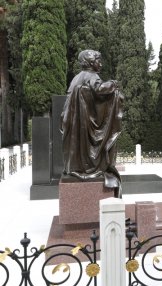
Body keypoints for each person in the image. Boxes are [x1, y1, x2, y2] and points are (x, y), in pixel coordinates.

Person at [60, 49, 124, 198]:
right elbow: (100, 89)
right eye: (97, 60)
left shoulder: (76, 78)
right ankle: (89, 168)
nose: (100, 64)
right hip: (83, 123)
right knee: (90, 150)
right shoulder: (92, 76)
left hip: (73, 123)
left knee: (78, 148)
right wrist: (113, 85)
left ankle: (77, 167)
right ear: (89, 63)